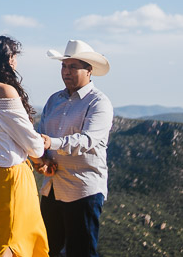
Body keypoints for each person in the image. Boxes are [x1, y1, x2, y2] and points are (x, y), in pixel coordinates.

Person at [0, 35, 52, 257]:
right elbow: (33, 145)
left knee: (10, 234)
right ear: (7, 59)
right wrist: (42, 148)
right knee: (9, 241)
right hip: (8, 178)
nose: (15, 60)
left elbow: (4, 136)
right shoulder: (6, 92)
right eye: (13, 55)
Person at [36, 39, 114, 257]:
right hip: (52, 188)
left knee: (81, 253)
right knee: (46, 250)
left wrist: (52, 143)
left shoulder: (99, 103)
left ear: (89, 71)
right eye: (63, 66)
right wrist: (41, 160)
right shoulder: (54, 100)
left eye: (73, 66)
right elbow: (41, 134)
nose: (66, 72)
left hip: (83, 191)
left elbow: (87, 141)